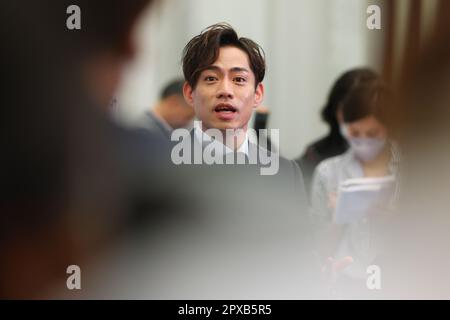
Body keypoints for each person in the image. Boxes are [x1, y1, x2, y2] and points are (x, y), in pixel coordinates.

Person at [310, 78, 400, 297]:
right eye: (354, 133)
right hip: (346, 282)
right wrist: (338, 217)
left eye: (372, 134)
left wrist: (397, 219)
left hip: (400, 280)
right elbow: (317, 247)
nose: (362, 141)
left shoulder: (414, 169)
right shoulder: (329, 172)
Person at [296, 68, 378, 196]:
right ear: (335, 111)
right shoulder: (316, 154)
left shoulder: (403, 155)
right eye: (348, 110)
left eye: (364, 111)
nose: (356, 120)